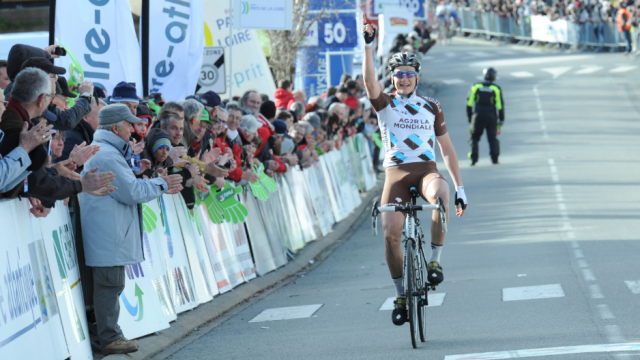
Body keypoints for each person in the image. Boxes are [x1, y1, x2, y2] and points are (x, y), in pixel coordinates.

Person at [362, 16, 467, 326]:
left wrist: (460, 188)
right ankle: (400, 294)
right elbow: (369, 82)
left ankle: (434, 262)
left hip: (425, 171)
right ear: (392, 78)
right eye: (398, 75)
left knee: (441, 193)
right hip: (395, 173)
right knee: (391, 235)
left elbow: (446, 149)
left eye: (408, 74)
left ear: (417, 77)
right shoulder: (385, 104)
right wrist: (368, 47)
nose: (403, 79)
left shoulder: (432, 106)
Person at [79, 104, 183, 356]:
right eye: (129, 125)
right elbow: (133, 192)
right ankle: (110, 337)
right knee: (109, 285)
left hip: (109, 232)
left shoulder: (108, 151)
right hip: (107, 233)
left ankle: (108, 334)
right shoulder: (107, 154)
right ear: (116, 127)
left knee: (108, 285)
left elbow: (130, 187)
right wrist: (161, 183)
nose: (134, 130)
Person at [0, 67, 116, 212]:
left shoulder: (25, 125)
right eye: (51, 97)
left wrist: (54, 170)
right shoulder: (20, 129)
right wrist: (81, 185)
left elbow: (29, 178)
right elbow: (34, 182)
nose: (5, 107)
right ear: (42, 99)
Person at [466, 67, 504, 165]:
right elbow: (500, 106)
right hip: (491, 116)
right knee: (492, 138)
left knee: (474, 137)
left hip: (478, 115)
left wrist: (470, 117)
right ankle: (495, 159)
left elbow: (469, 104)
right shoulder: (496, 88)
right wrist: (501, 119)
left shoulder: (475, 86)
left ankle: (473, 159)